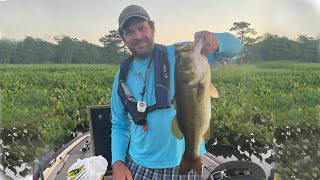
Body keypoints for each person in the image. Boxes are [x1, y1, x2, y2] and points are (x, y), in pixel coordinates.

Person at [111, 4, 243, 180]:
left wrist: (217, 41)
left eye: (142, 28)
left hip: (184, 161)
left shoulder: (182, 54)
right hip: (140, 165)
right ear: (123, 37)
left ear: (152, 28)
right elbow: (119, 124)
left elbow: (237, 47)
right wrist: (118, 162)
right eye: (129, 31)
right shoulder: (122, 76)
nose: (138, 36)